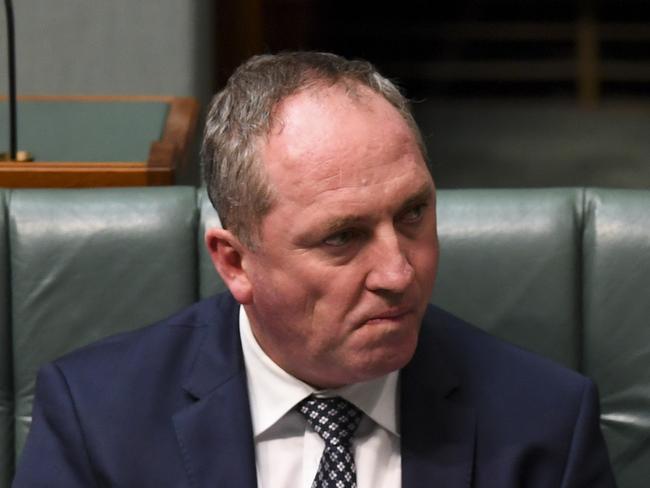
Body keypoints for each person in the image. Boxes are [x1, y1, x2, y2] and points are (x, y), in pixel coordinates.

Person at [13, 52, 616, 487]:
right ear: (235, 262)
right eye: (342, 237)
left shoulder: (547, 426)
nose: (398, 273)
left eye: (413, 214)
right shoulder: (97, 418)